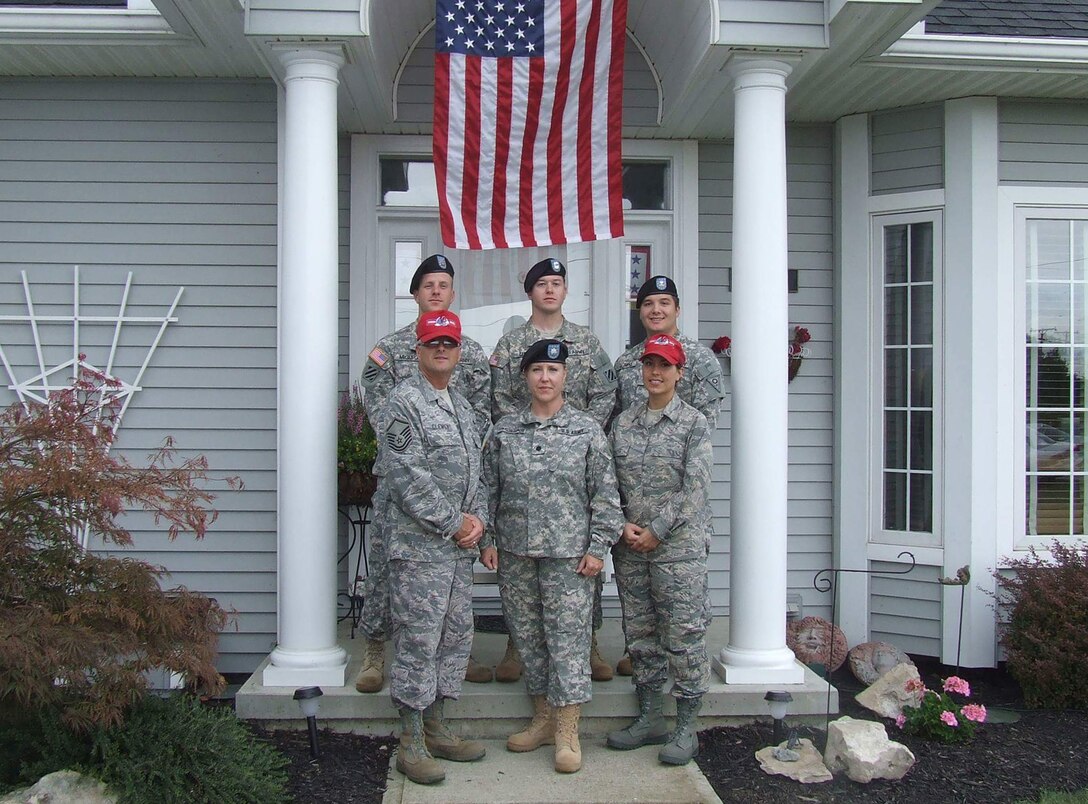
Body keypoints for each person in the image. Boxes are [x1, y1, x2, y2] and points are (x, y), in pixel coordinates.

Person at [481, 339, 623, 774]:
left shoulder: (586, 431)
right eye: (537, 370)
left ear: (566, 377)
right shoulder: (504, 431)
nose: (545, 378)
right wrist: (487, 539)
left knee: (568, 641)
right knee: (528, 638)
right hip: (516, 554)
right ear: (525, 377)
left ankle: (567, 729)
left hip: (569, 557)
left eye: (553, 370)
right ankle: (542, 718)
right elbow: (488, 490)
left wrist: (598, 548)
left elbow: (606, 496)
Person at [356, 254, 494, 694]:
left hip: (458, 494)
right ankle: (376, 650)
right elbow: (382, 416)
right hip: (405, 489)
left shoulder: (468, 351)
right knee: (384, 570)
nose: (436, 291)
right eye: (427, 285)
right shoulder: (390, 350)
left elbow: (478, 413)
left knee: (452, 587)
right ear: (415, 294)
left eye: (444, 285)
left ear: (453, 294)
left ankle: (453, 657)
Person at [489, 257, 618, 683]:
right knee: (522, 572)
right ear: (529, 291)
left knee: (578, 561)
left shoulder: (586, 342)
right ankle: (517, 646)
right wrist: (532, 429)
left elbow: (605, 394)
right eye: (541, 283)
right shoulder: (510, 346)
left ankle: (589, 642)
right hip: (523, 450)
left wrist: (577, 436)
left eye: (557, 283)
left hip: (575, 458)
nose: (549, 290)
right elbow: (501, 399)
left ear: (565, 291)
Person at [383, 310, 489, 785]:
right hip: (420, 550)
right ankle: (411, 741)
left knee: (454, 638)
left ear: (459, 352)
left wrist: (478, 519)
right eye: (433, 343)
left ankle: (437, 725)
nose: (441, 349)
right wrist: (454, 523)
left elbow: (477, 472)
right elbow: (408, 479)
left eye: (449, 343)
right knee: (418, 640)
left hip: (458, 552)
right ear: (418, 350)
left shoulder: (462, 407)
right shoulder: (401, 403)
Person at [605, 333, 714, 766]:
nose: (655, 372)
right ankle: (650, 717)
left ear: (679, 373)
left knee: (683, 635)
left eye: (664, 366)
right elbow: (607, 481)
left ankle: (687, 726)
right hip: (631, 548)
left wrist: (656, 529)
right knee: (642, 636)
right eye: (649, 365)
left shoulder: (693, 424)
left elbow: (695, 488)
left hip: (678, 551)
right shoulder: (623, 423)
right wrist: (622, 525)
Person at [611, 274, 724, 677]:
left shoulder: (701, 361)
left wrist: (662, 522)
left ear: (677, 308)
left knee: (683, 618)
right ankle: (645, 672)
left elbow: (701, 448)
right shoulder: (626, 363)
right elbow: (615, 435)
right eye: (647, 304)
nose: (656, 310)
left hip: (679, 518)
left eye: (664, 302)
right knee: (641, 619)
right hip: (633, 516)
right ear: (639, 312)